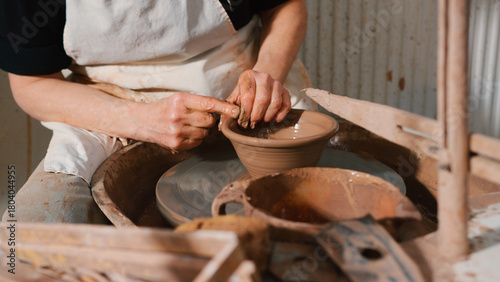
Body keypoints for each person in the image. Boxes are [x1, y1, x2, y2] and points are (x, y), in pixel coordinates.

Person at [0, 0, 315, 223]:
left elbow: (284, 6)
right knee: (28, 236)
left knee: (309, 206)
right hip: (108, 108)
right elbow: (31, 83)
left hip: (237, 96)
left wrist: (268, 73)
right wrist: (139, 119)